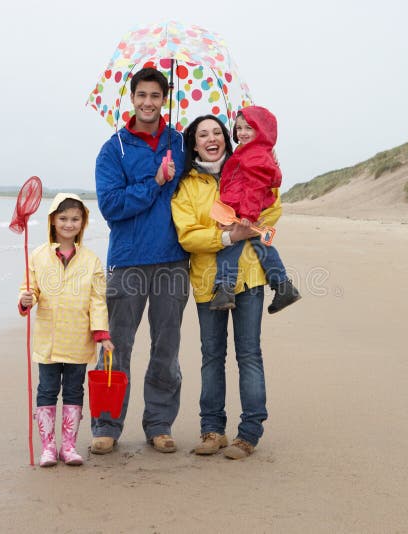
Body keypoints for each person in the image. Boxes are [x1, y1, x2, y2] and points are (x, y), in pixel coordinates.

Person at [171, 114, 280, 460]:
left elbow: (274, 206)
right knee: (211, 357)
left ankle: (248, 433)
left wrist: (251, 225)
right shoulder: (187, 185)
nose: (211, 138)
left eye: (217, 131)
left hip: (249, 276)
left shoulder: (247, 164)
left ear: (226, 137)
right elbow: (187, 235)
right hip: (207, 282)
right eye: (203, 134)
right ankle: (212, 430)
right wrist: (225, 236)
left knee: (249, 354)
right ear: (194, 142)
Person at [92, 67, 189, 454]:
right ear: (131, 99)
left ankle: (159, 423)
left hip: (172, 261)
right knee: (116, 346)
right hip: (127, 261)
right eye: (141, 95)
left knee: (166, 348)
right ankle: (106, 425)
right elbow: (111, 206)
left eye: (155, 95)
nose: (148, 102)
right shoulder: (112, 148)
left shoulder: (180, 143)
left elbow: (211, 177)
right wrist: (155, 182)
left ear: (164, 99)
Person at [18, 193, 114, 467]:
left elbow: (97, 299)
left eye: (75, 219)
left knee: (74, 390)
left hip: (78, 339)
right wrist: (26, 300)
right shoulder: (38, 256)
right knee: (47, 390)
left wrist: (102, 335)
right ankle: (48, 447)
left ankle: (68, 446)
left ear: (83, 222)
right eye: (63, 218)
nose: (69, 224)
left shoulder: (91, 260)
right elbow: (30, 290)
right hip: (48, 339)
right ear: (52, 221)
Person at [210, 106, 301, 313]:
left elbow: (255, 187)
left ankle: (225, 287)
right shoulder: (251, 152)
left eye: (249, 128)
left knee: (229, 246)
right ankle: (283, 285)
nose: (242, 132)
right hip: (242, 208)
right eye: (239, 127)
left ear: (261, 130)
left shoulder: (255, 155)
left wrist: (248, 216)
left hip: (247, 210)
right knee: (262, 245)